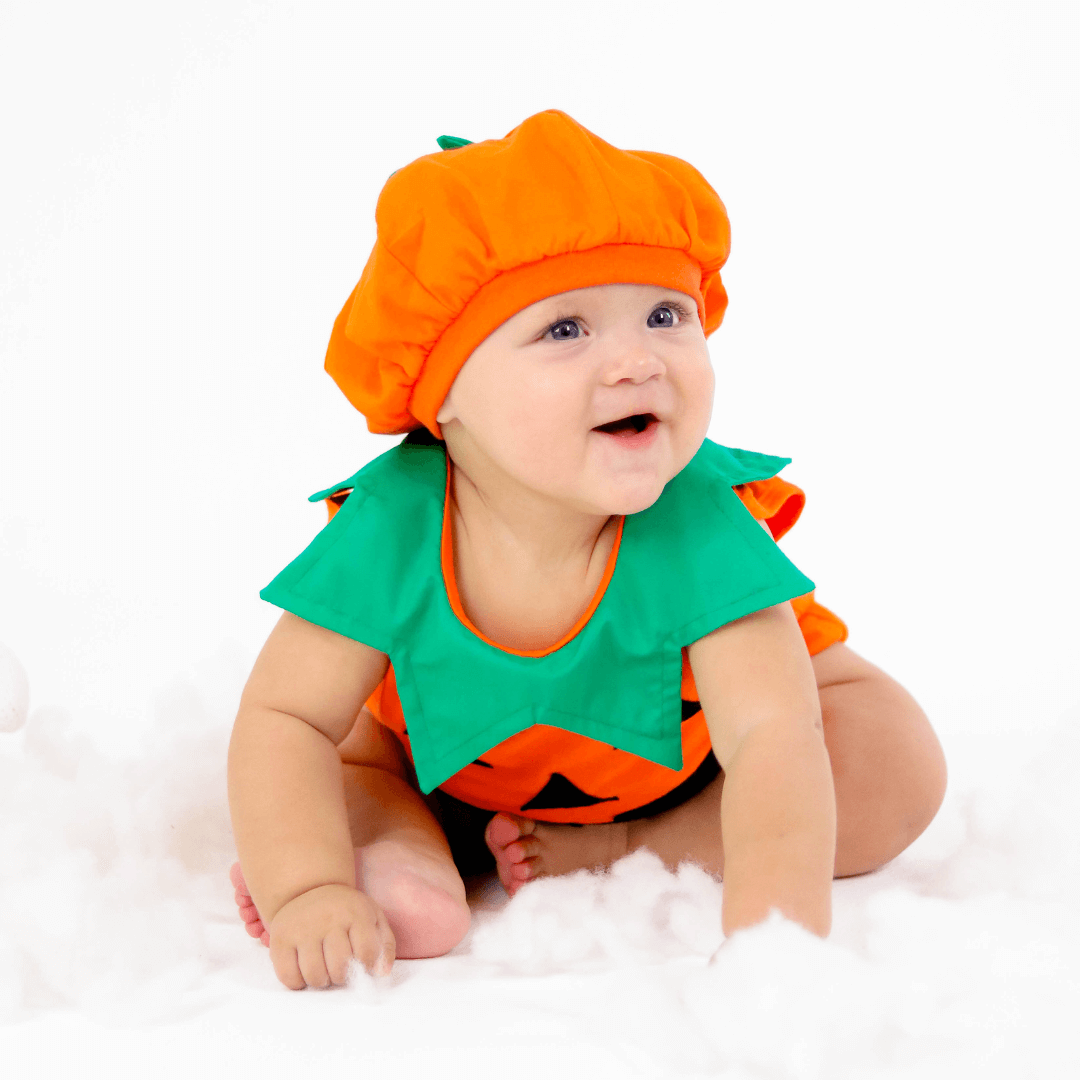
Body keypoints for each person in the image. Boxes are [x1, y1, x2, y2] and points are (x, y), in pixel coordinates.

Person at [226, 109, 948, 992]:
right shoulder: (395, 528)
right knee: (349, 765)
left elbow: (770, 736)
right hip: (447, 768)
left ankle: (635, 847)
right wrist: (306, 884)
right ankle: (393, 851)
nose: (638, 361)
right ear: (441, 392)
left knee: (894, 760)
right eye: (566, 330)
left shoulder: (701, 525)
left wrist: (774, 945)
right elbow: (284, 718)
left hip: (694, 777)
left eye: (665, 315)